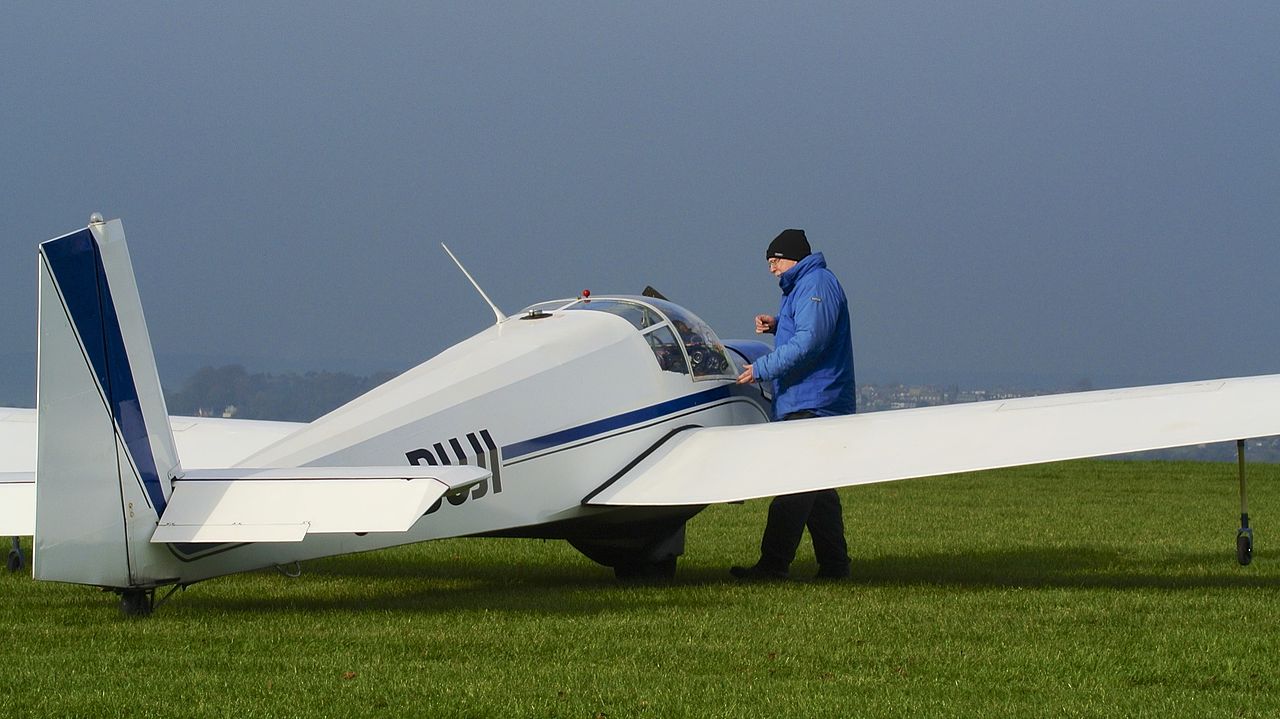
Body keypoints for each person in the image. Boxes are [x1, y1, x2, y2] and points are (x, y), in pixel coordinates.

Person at [732, 228, 856, 580]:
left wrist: (761, 369)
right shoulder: (802, 286)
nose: (771, 269)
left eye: (775, 261)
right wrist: (777, 325)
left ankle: (773, 565)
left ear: (793, 259)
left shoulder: (816, 284)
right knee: (819, 492)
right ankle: (835, 566)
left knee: (793, 484)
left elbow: (810, 342)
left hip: (814, 400)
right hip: (809, 399)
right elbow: (808, 331)